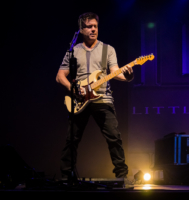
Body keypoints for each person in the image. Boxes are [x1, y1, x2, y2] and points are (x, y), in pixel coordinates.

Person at [56, 12, 133, 181]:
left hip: (103, 99)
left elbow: (115, 73)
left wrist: (127, 76)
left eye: (95, 26)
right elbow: (60, 76)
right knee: (72, 140)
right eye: (89, 26)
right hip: (79, 100)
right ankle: (66, 175)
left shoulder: (108, 49)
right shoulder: (73, 51)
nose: (93, 29)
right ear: (81, 30)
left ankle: (122, 175)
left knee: (114, 137)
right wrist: (74, 90)